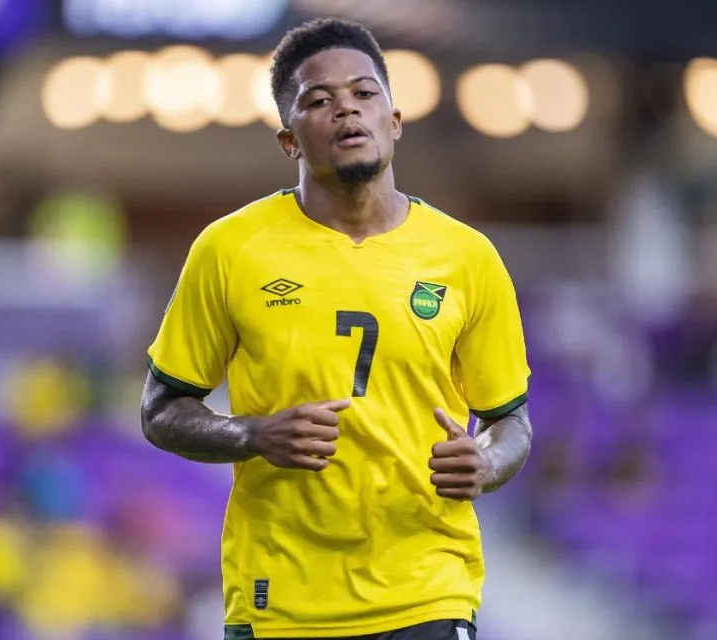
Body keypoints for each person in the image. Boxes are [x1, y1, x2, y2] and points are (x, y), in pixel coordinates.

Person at [141, 18, 533, 640]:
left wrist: (486, 463)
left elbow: (511, 421)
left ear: (395, 120)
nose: (345, 109)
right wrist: (253, 433)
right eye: (318, 101)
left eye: (363, 93)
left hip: (427, 591)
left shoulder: (468, 257)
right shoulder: (230, 249)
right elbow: (160, 409)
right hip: (283, 599)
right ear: (288, 139)